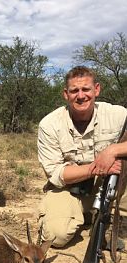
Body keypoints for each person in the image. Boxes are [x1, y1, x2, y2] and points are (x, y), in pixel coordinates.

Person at [37, 66, 127, 248]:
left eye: (86, 89)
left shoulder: (118, 115)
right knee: (57, 236)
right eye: (74, 90)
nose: (80, 95)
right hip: (69, 189)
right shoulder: (49, 124)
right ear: (65, 94)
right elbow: (56, 174)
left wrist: (112, 151)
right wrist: (98, 166)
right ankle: (85, 214)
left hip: (110, 187)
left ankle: (103, 215)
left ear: (97, 89)